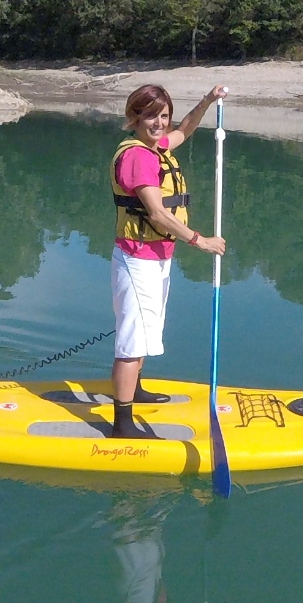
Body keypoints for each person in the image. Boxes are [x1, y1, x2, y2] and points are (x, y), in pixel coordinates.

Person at [108, 82, 227, 438]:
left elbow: (184, 132)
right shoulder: (138, 157)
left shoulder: (155, 146)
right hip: (137, 258)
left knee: (145, 332)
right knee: (132, 341)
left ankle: (136, 390)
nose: (160, 124)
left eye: (164, 116)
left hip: (156, 257)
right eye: (150, 116)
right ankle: (123, 424)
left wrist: (207, 100)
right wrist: (199, 241)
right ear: (134, 118)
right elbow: (158, 214)